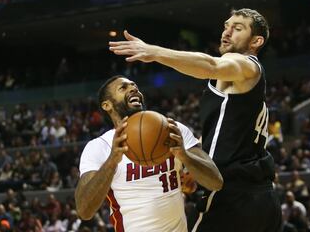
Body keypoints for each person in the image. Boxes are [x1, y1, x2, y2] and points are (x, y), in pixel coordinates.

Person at [109, 8, 282, 231]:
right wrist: (194, 167)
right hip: (263, 199)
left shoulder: (246, 64)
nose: (227, 32)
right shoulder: (239, 88)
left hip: (232, 195)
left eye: (237, 28)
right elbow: (226, 133)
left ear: (256, 41)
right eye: (226, 26)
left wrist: (153, 52)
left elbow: (211, 65)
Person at [75, 75, 223, 232]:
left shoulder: (172, 130)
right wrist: (112, 161)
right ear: (107, 105)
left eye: (135, 86)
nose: (133, 89)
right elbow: (84, 210)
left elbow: (216, 182)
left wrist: (184, 155)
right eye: (123, 88)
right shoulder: (100, 147)